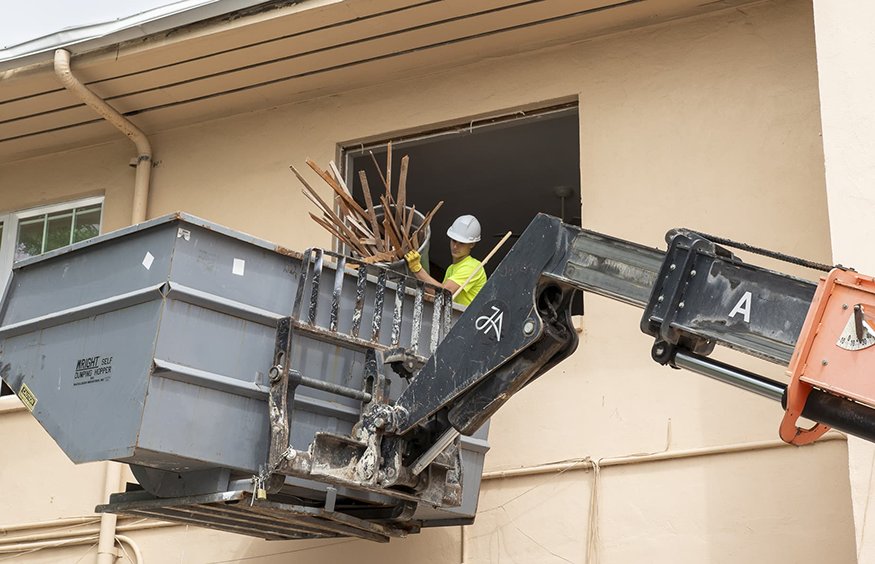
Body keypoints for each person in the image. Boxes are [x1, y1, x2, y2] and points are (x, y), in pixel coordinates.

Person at [404, 214, 487, 306]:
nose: (455, 246)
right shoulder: (451, 269)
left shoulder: (472, 266)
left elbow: (444, 294)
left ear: (472, 244)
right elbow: (438, 297)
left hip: (466, 318)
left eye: (461, 243)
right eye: (454, 241)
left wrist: (417, 269)